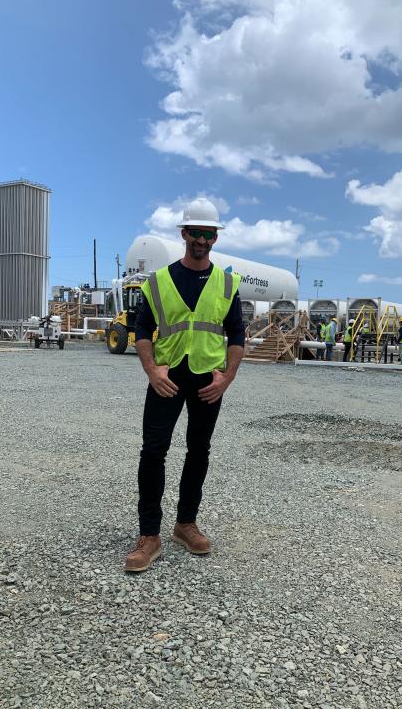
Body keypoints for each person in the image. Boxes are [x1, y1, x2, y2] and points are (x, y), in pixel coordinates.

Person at [126, 197, 245, 572]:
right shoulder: (160, 281)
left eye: (208, 234)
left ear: (215, 238)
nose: (201, 239)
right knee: (153, 451)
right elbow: (141, 328)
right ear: (184, 233)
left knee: (199, 451)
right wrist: (151, 370)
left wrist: (227, 377)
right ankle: (149, 535)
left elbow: (237, 333)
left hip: (208, 380)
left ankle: (185, 524)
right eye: (195, 232)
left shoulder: (227, 283)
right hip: (167, 377)